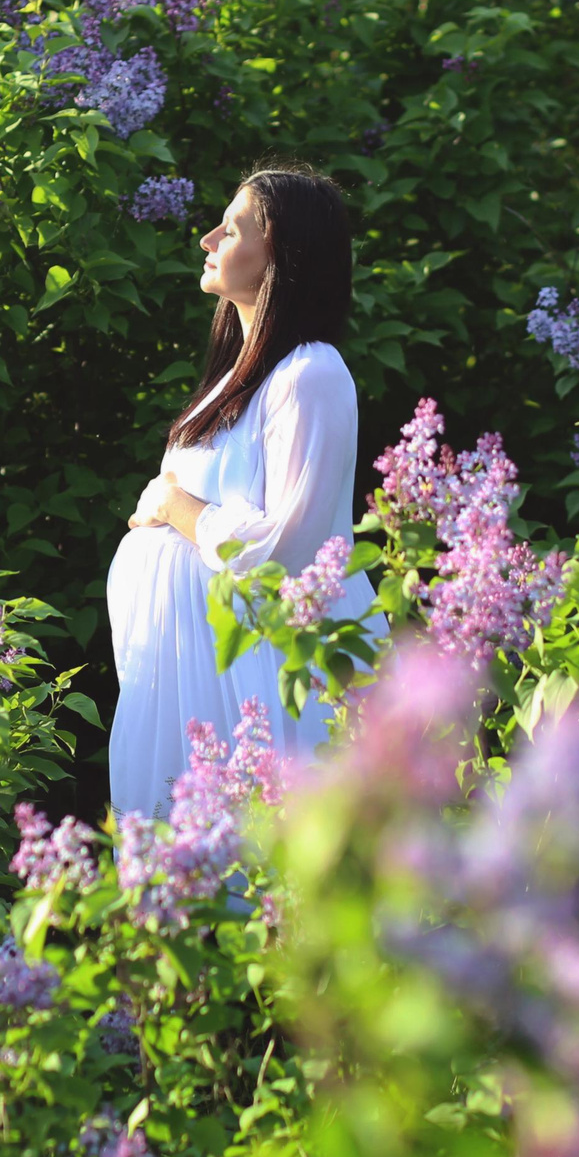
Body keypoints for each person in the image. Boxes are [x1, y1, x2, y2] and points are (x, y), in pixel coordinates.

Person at [107, 163, 379, 818]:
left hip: (260, 692)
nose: (206, 239)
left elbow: (291, 553)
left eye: (230, 229)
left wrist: (177, 508)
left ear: (280, 254)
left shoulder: (310, 373)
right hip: (184, 690)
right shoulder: (231, 378)